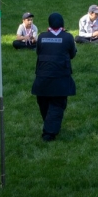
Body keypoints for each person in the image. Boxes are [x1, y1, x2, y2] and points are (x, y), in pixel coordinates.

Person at [32, 13, 77, 142]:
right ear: (62, 23)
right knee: (57, 104)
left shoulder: (41, 37)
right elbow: (72, 54)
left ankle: (49, 124)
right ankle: (49, 133)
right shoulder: (68, 37)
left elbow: (39, 52)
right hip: (60, 79)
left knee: (44, 103)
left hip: (42, 79)